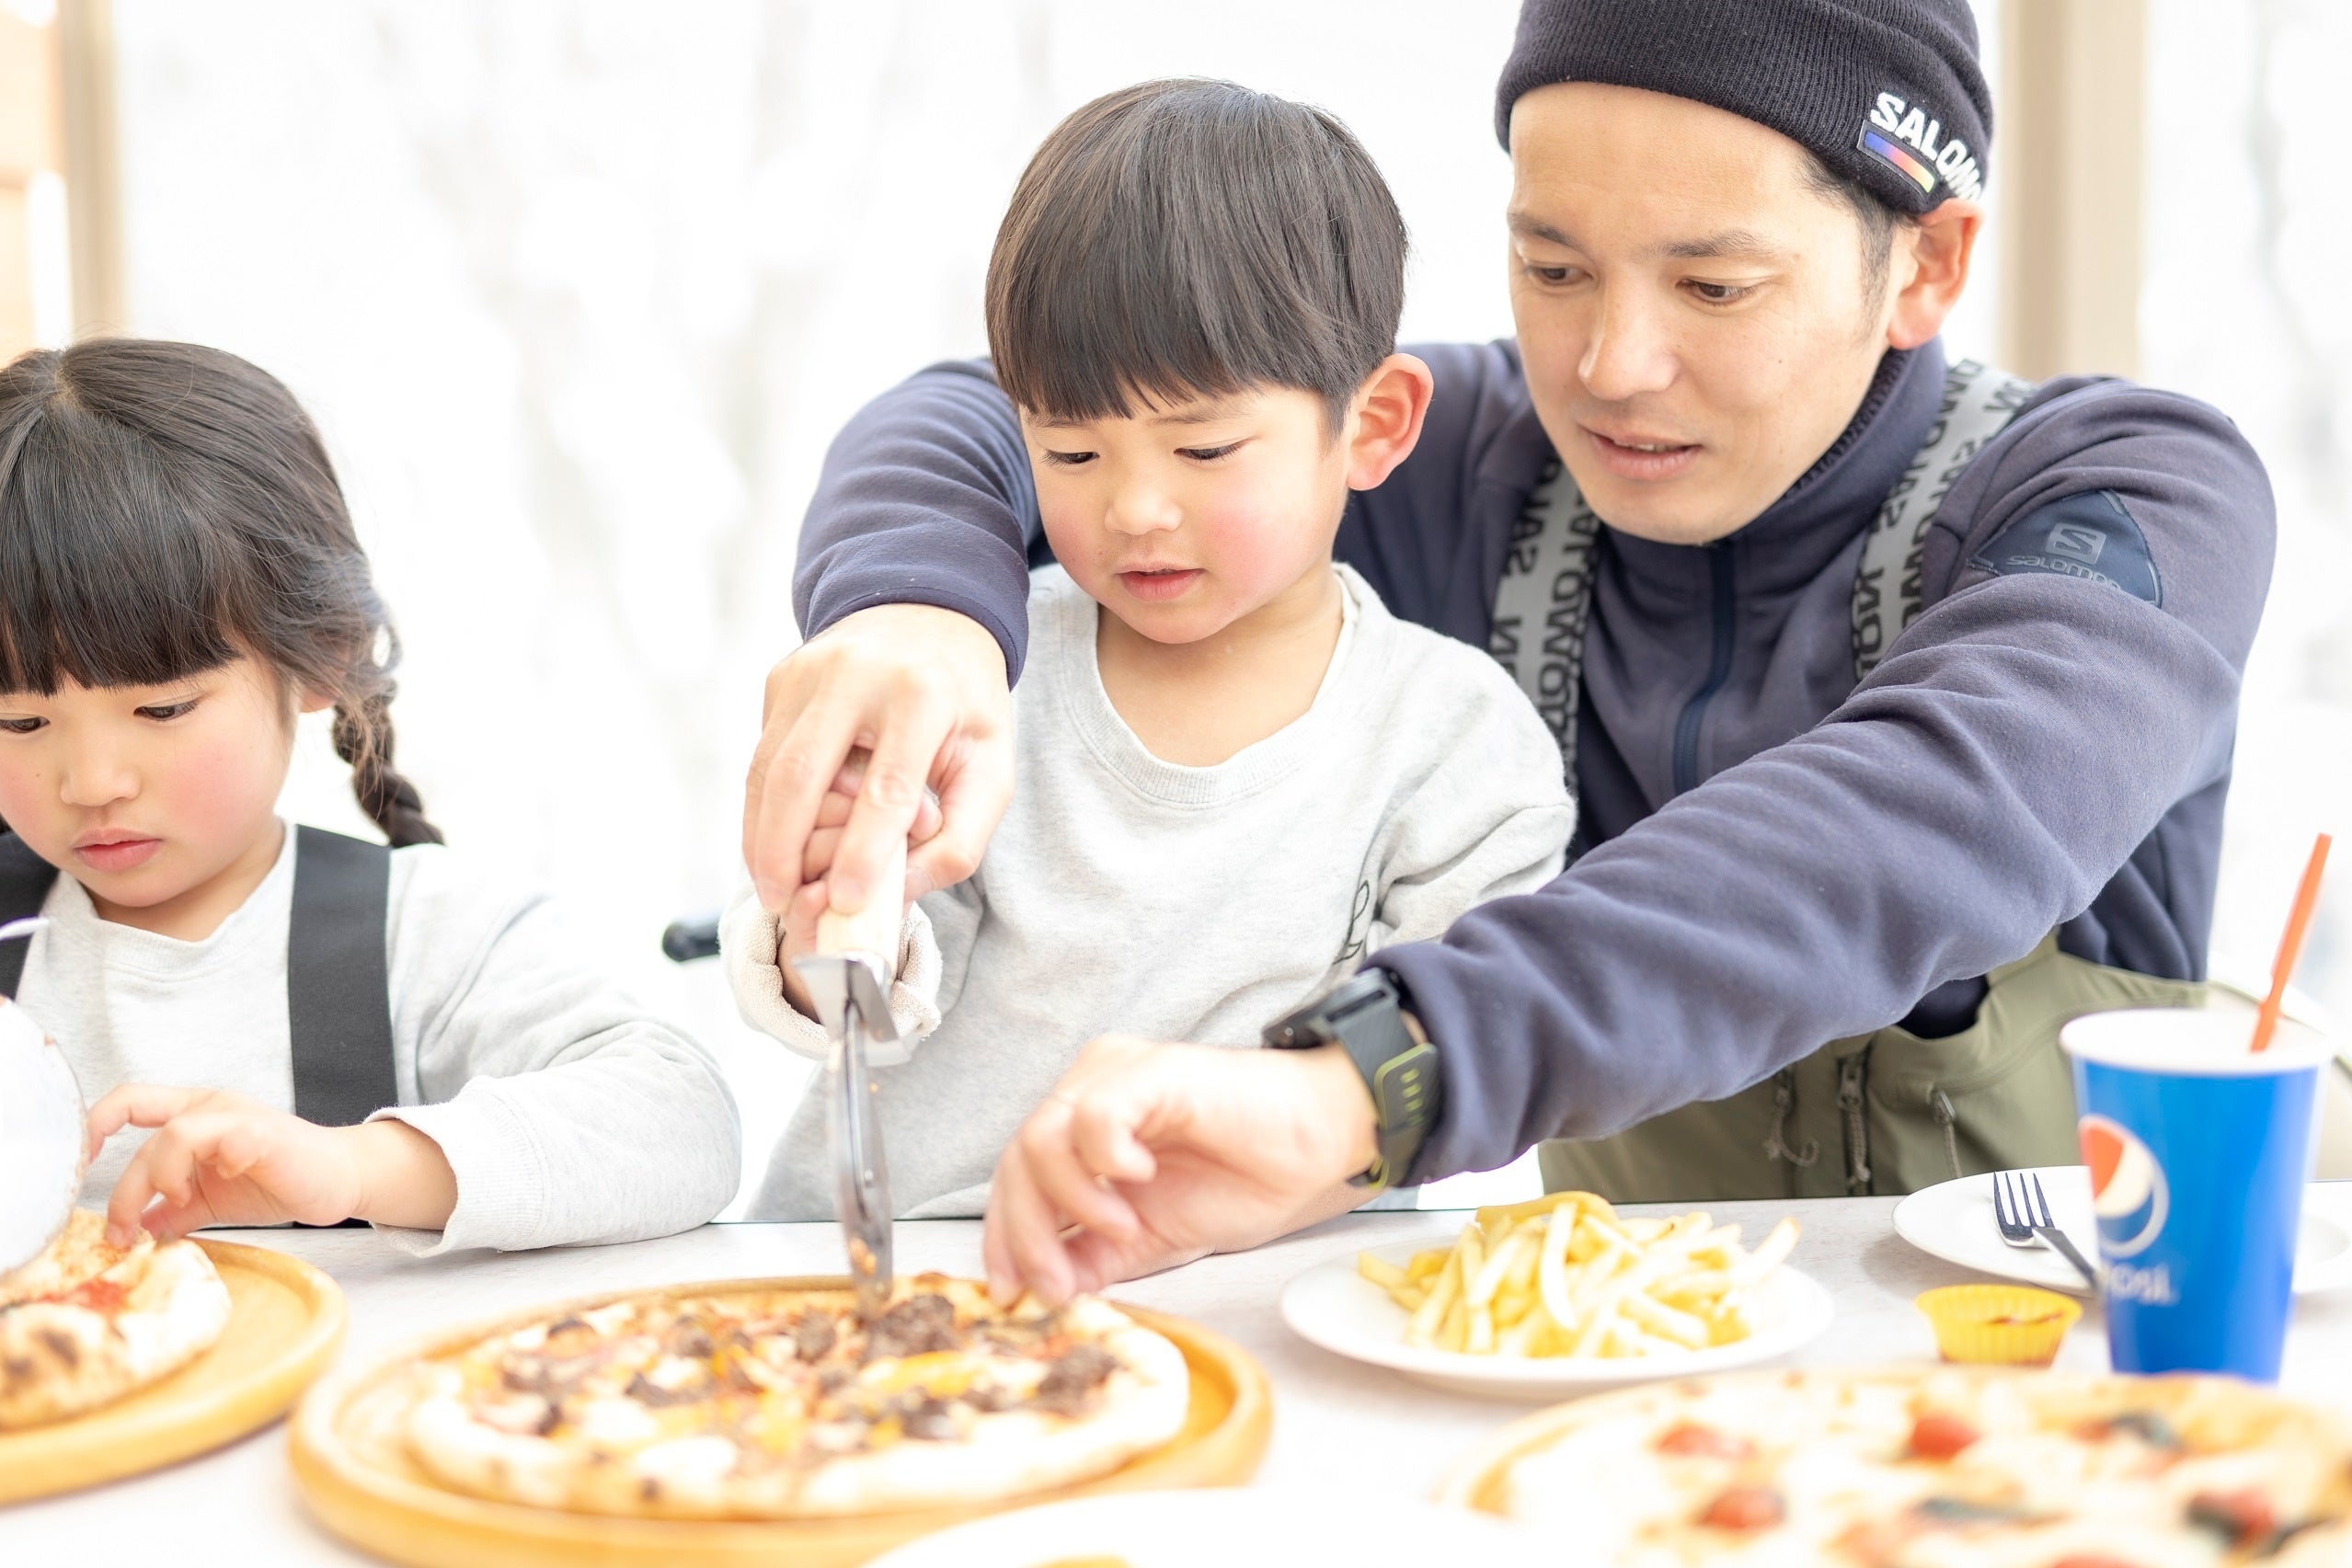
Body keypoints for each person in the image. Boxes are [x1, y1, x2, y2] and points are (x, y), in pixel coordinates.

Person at [747, 0, 2274, 1304]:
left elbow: (1913, 822)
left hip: (2075, 1359)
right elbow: (999, 414)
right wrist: (917, 613)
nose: (1609, 366)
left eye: (1711, 284)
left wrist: (1375, 1073)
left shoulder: (2127, 494)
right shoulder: (1478, 464)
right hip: (1635, 1391)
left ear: (1926, 266)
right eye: (1552, 268)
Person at [723, 80, 1574, 1220]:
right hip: (905, 1278)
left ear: (1370, 426)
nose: (1134, 510)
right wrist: (831, 930)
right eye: (1070, 454)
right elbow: (845, 1010)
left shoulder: (1456, 747)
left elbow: (1431, 1082)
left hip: (1257, 1301)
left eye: (1205, 448)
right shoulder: (987, 680)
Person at [0, 338, 741, 1253]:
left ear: (319, 655)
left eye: (162, 707)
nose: (91, 782)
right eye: (21, 724)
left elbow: (686, 1119)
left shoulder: (420, 934)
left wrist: (356, 1168)